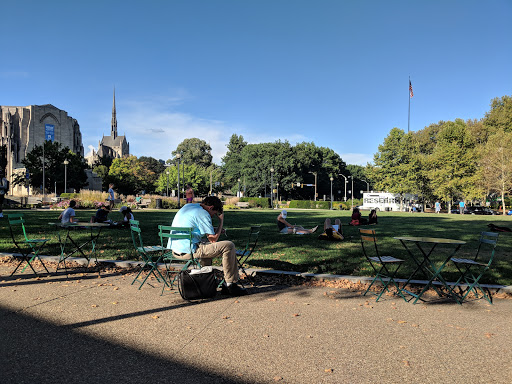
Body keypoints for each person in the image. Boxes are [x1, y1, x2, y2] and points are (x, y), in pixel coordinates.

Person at [168, 195, 247, 296]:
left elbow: (199, 227)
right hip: (189, 251)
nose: (213, 216)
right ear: (210, 208)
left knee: (206, 245)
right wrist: (221, 221)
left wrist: (216, 230)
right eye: (214, 213)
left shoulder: (189, 207)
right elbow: (213, 239)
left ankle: (206, 283)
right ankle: (230, 285)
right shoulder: (203, 213)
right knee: (229, 246)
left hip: (176, 250)